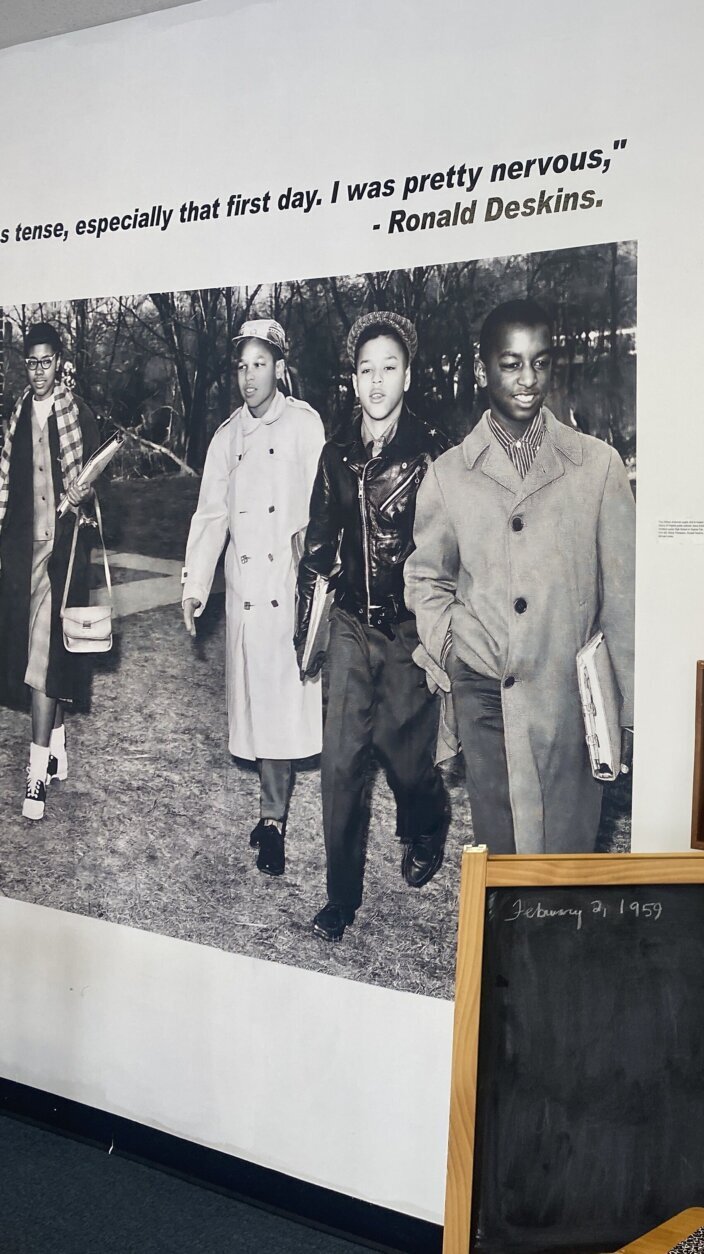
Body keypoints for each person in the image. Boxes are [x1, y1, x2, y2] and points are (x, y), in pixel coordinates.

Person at [407, 299, 635, 854]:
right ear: (482, 368)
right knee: (503, 854)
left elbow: (624, 601)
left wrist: (626, 712)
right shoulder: (449, 474)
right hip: (485, 692)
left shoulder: (599, 466)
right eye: (511, 364)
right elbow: (426, 578)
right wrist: (454, 647)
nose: (528, 379)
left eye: (541, 362)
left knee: (565, 857)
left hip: (570, 702)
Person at [295, 311, 452, 943]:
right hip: (350, 628)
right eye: (366, 369)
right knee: (341, 765)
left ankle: (427, 820)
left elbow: (452, 553)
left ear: (407, 376)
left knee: (407, 761)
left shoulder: (433, 452)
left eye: (390, 367)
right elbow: (316, 546)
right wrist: (306, 629)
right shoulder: (335, 452)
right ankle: (340, 898)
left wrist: (444, 637)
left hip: (410, 631)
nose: (378, 380)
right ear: (353, 379)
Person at [181, 319, 325, 873]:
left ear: (279, 368)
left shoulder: (305, 426)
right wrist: (196, 586)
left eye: (259, 364)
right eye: (242, 366)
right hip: (246, 592)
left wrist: (316, 573)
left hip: (288, 590)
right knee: (260, 709)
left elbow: (324, 506)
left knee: (281, 710)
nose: (249, 377)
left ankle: (273, 820)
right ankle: (271, 817)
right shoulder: (226, 438)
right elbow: (210, 517)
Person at [0, 323, 100, 820]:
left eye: (47, 361)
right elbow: (5, 486)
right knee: (40, 655)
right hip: (24, 555)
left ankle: (36, 773)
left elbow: (100, 487)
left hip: (64, 554)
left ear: (59, 361)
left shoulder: (79, 414)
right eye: (31, 362)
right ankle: (57, 744)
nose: (39, 371)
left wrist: (86, 492)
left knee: (44, 654)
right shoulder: (17, 417)